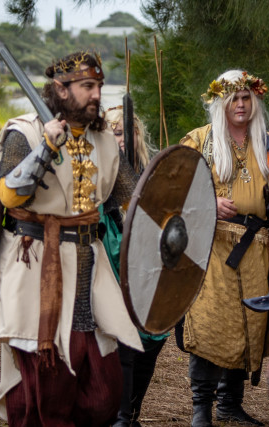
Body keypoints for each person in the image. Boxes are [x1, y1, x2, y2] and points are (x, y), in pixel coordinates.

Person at [0, 51, 143, 426]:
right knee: (45, 386)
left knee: (104, 393)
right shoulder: (25, 133)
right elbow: (8, 196)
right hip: (36, 264)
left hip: (89, 265)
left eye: (99, 86)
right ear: (60, 89)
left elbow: (132, 198)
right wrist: (45, 147)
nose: (96, 95)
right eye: (87, 86)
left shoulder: (102, 139)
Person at [179, 70, 269, 427]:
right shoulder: (199, 141)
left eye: (246, 98)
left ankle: (230, 405)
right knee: (210, 325)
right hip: (213, 247)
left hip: (258, 249)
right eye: (234, 99)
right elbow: (174, 190)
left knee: (248, 326)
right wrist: (208, 202)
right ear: (221, 103)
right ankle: (201, 409)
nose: (241, 104)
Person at [103, 107, 167, 427]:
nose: (123, 139)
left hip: (147, 262)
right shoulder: (99, 172)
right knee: (123, 338)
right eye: (115, 133)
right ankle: (120, 417)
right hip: (110, 254)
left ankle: (131, 411)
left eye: (128, 132)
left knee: (154, 338)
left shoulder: (152, 172)